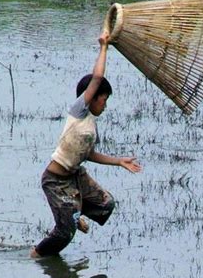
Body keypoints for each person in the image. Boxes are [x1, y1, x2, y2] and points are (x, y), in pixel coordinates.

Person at [30, 30, 141, 258]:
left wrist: (119, 161)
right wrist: (104, 47)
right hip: (55, 180)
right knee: (64, 234)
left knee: (106, 204)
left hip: (75, 176)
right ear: (91, 97)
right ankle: (36, 256)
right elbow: (97, 78)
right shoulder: (79, 111)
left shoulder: (91, 125)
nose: (105, 105)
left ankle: (73, 212)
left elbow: (88, 154)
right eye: (104, 99)